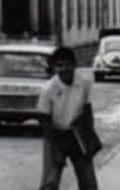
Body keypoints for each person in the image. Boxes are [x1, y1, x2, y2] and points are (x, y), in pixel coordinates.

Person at [39, 46, 98, 190]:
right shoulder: (48, 89)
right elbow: (45, 120)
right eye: (59, 66)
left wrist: (89, 136)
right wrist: (56, 149)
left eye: (68, 65)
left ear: (74, 65)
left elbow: (87, 109)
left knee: (88, 180)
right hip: (55, 133)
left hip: (77, 133)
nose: (64, 69)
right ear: (54, 67)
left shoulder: (83, 83)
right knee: (50, 181)